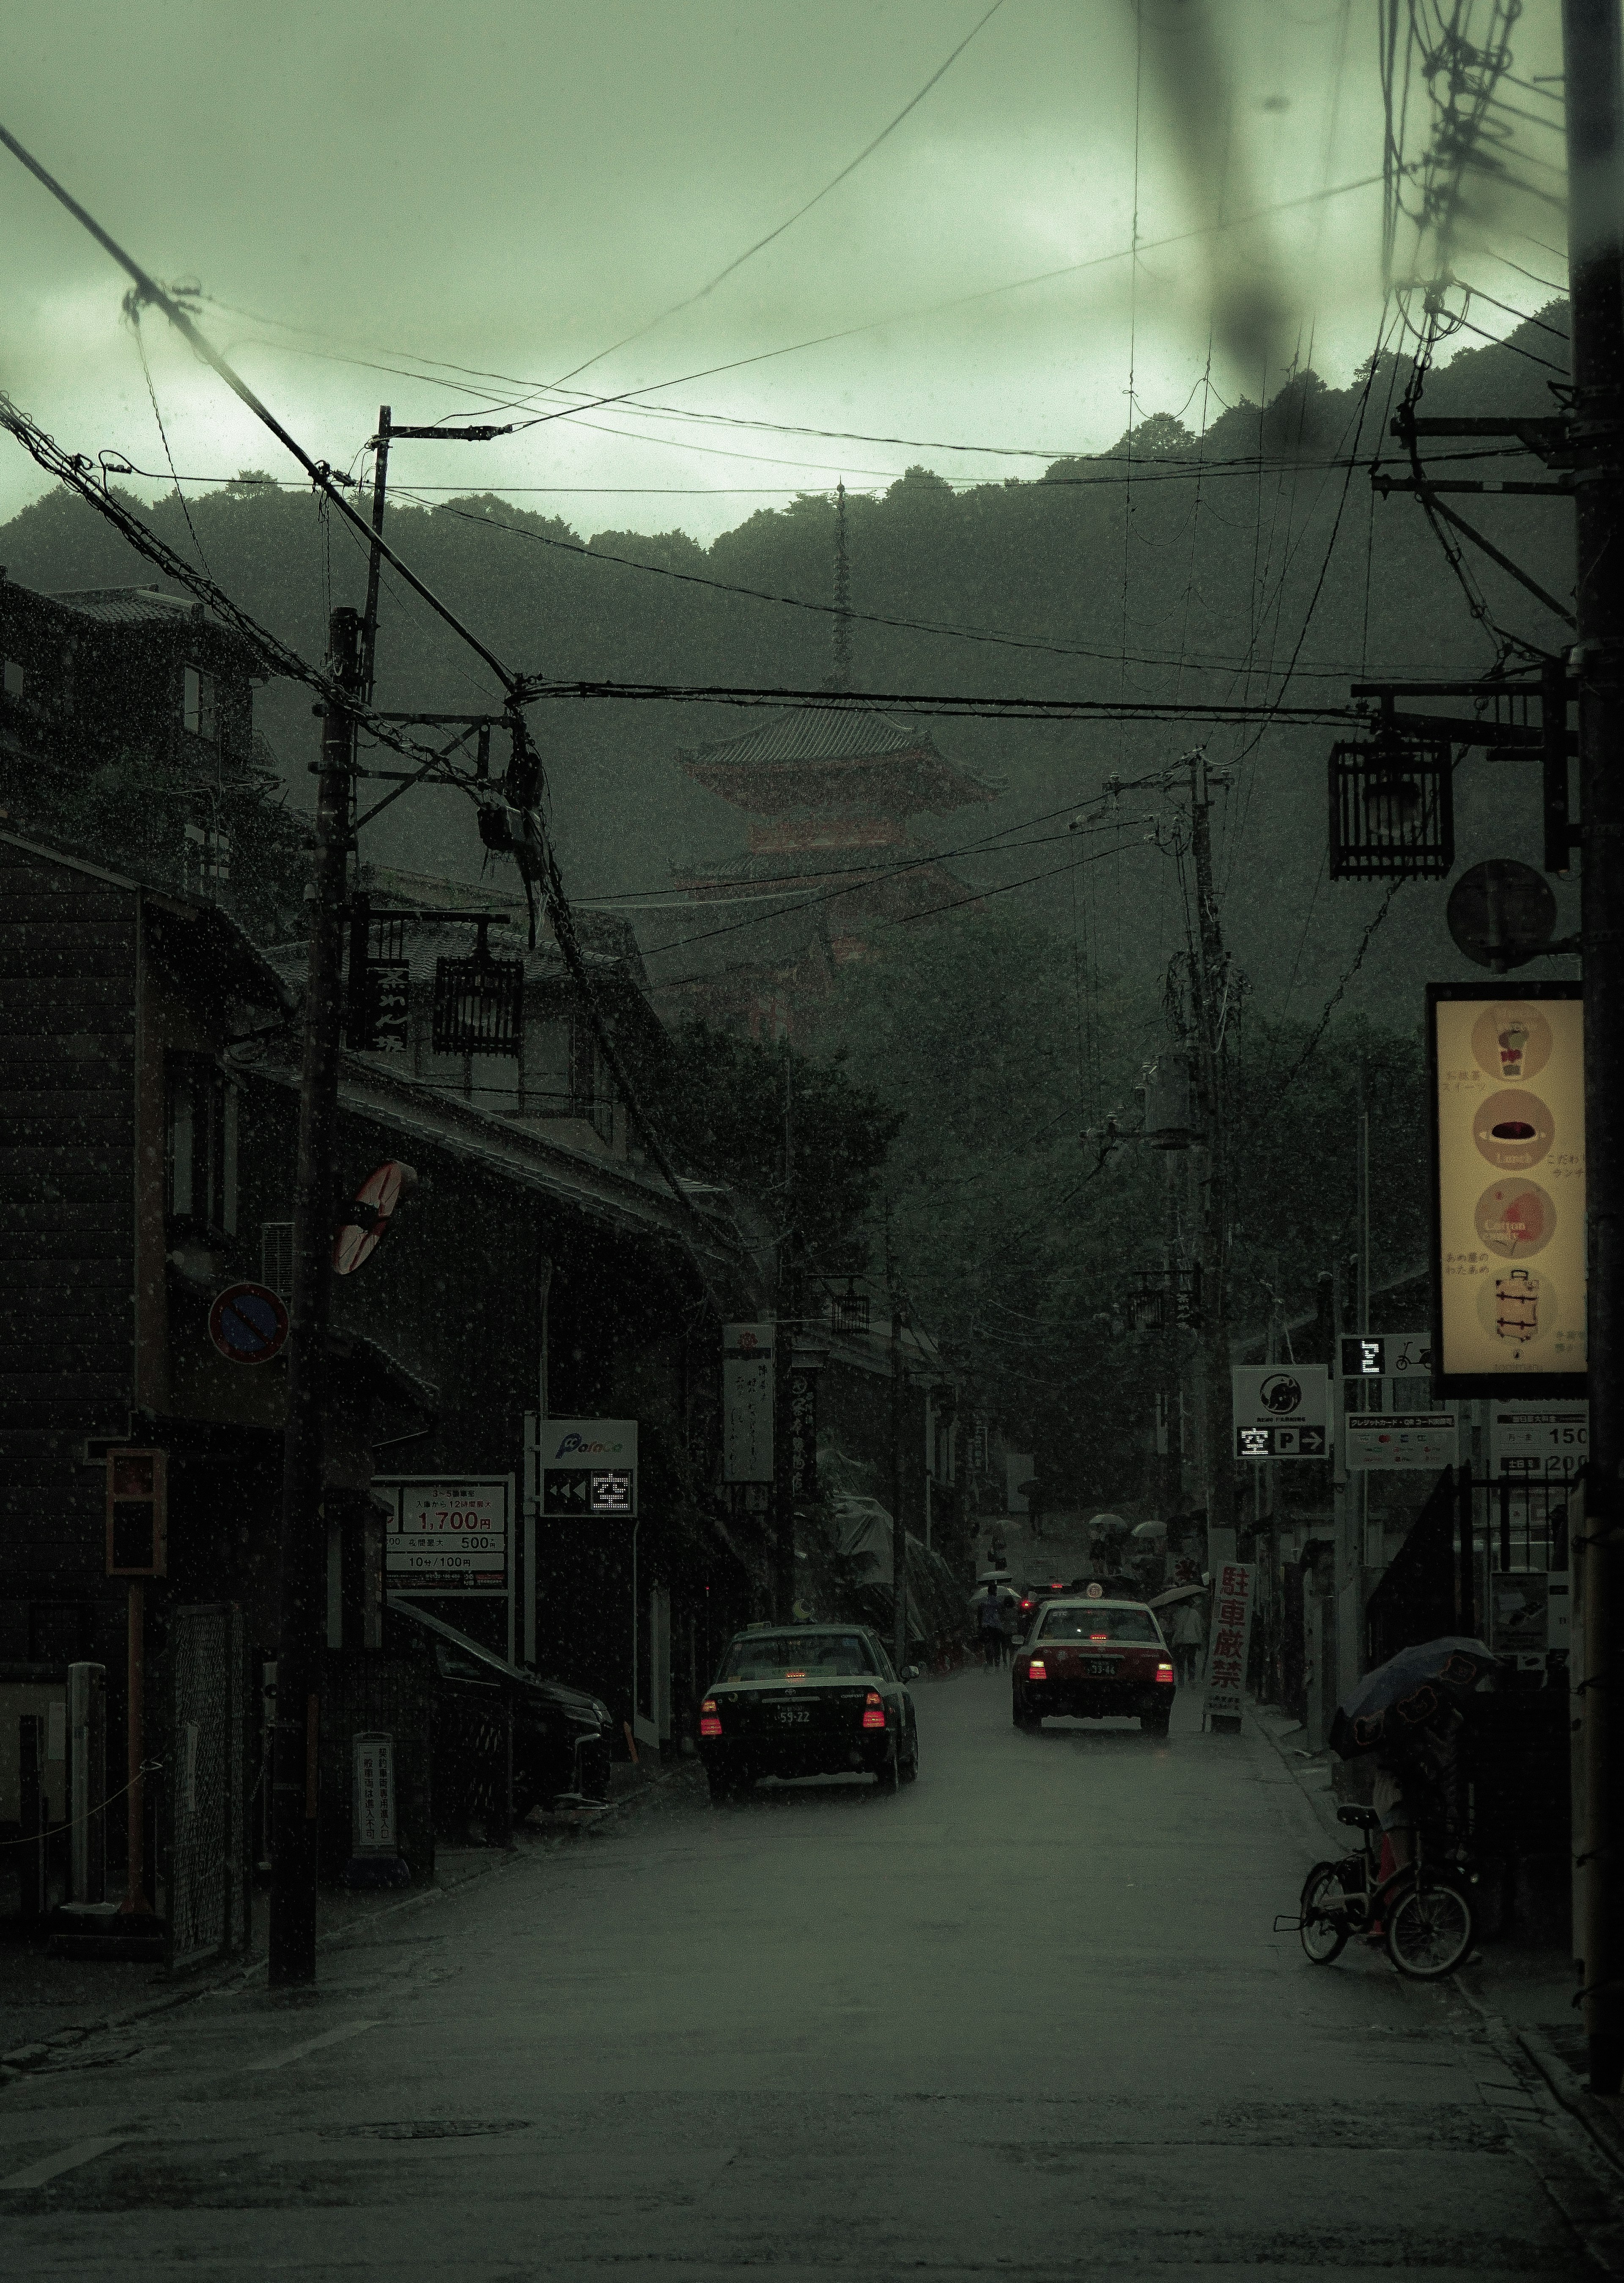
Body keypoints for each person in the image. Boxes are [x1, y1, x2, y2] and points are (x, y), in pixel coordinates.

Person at [1168, 1594, 1205, 1688]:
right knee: (1191, 1661)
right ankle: (1191, 1680)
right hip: (1193, 1642)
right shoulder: (1195, 1613)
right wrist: (1200, 1641)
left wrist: (1174, 1640)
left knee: (1181, 1661)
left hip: (1182, 1641)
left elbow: (1177, 1629)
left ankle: (1181, 1681)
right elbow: (1198, 1629)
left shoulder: (1178, 1614)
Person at [977, 1582, 1004, 1669]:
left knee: (988, 1646)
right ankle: (997, 1665)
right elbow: (1002, 1613)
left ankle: (990, 1664)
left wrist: (980, 1625)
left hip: (986, 1627)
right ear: (995, 1591)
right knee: (997, 1646)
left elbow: (979, 1614)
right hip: (996, 1627)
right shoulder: (998, 1602)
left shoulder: (983, 1602)